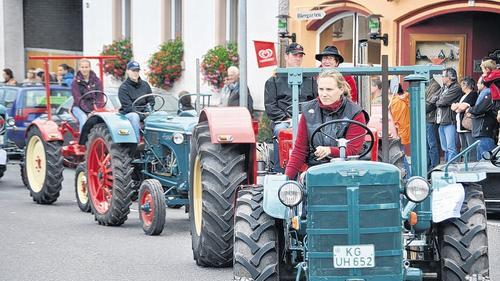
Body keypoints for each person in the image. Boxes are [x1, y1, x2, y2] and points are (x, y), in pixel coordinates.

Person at [285, 69, 369, 179]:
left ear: (341, 89)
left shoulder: (356, 113)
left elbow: (353, 151)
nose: (324, 94)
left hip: (348, 173)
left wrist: (329, 150)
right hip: (316, 170)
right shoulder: (309, 111)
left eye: (329, 89)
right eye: (321, 89)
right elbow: (300, 150)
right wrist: (285, 179)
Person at [264, 42, 317, 172]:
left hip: (307, 120)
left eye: (300, 56)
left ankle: (314, 167)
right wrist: (287, 118)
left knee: (320, 132)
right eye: (294, 55)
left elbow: (316, 102)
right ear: (286, 56)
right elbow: (270, 107)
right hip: (285, 121)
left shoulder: (310, 79)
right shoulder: (273, 81)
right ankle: (279, 170)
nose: (298, 58)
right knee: (281, 131)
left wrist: (307, 117)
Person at [118, 61, 154, 141]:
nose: (135, 73)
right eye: (133, 70)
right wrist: (143, 115)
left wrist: (148, 111)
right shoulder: (123, 88)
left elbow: (151, 101)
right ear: (127, 71)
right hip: (128, 115)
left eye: (137, 71)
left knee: (161, 114)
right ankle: (137, 142)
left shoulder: (145, 85)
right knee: (135, 116)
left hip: (145, 112)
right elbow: (128, 108)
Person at [433, 68, 463, 162]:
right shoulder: (444, 88)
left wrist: (439, 101)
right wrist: (438, 101)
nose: (442, 78)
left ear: (449, 77)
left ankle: (451, 170)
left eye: (443, 76)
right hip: (441, 121)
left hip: (450, 122)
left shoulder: (456, 88)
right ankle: (446, 169)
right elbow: (433, 98)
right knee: (445, 149)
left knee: (451, 148)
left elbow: (442, 101)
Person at [466, 77, 497, 159]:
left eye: (478, 83)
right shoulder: (482, 94)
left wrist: (469, 109)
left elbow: (480, 109)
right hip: (480, 130)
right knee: (480, 160)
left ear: (483, 84)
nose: (477, 85)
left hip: (485, 130)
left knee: (486, 160)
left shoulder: (488, 93)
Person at [451, 77, 478, 161]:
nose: (461, 86)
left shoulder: (473, 94)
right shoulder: (463, 96)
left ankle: (471, 166)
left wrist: (457, 106)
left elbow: (461, 108)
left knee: (471, 148)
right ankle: (465, 165)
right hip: (460, 126)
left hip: (467, 126)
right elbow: (453, 108)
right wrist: (457, 106)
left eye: (462, 84)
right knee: (464, 148)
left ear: (466, 85)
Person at [71, 59, 103, 131]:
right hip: (78, 107)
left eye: (86, 67)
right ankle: (83, 141)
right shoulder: (75, 82)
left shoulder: (97, 81)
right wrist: (88, 112)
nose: (84, 69)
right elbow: (78, 99)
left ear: (90, 67)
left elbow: (100, 97)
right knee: (84, 118)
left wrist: (96, 110)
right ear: (79, 68)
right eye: (82, 67)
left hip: (94, 108)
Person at [425, 77, 442, 169]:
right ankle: (429, 166)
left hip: (431, 119)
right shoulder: (429, 85)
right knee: (428, 145)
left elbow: (430, 104)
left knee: (432, 144)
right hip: (428, 119)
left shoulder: (434, 86)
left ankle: (434, 166)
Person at [389, 84, 411, 154]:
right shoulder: (404, 98)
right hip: (404, 127)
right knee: (401, 149)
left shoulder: (396, 101)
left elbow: (395, 117)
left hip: (398, 128)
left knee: (399, 151)